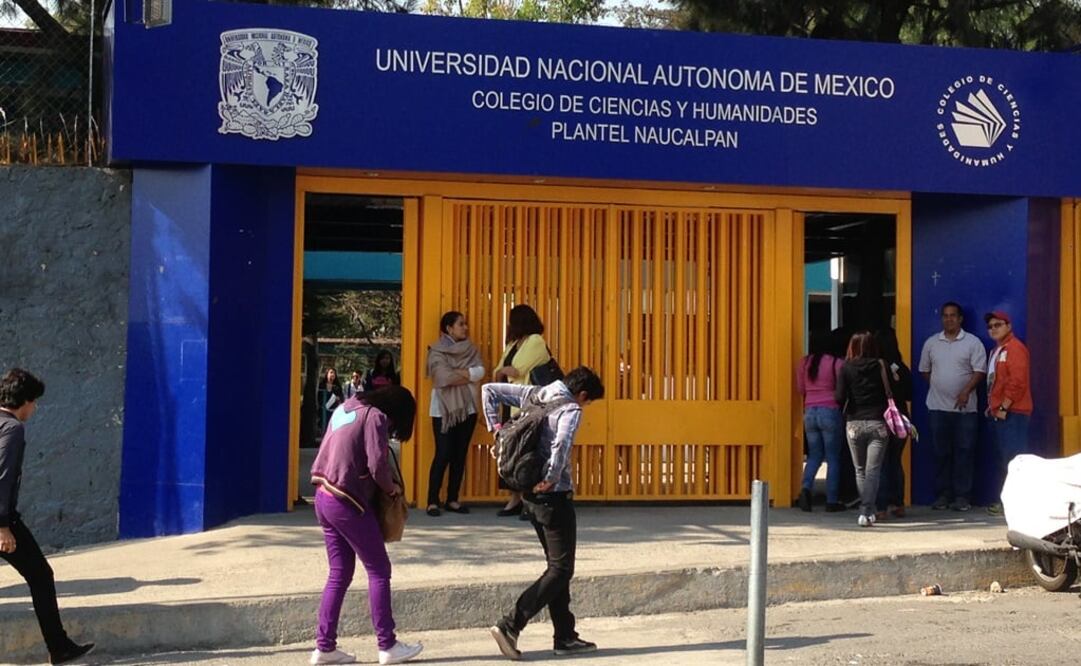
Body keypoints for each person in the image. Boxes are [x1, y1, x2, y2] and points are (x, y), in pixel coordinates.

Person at [482, 367, 605, 661]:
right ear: (583, 395)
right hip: (553, 496)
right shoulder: (571, 408)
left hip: (529, 494)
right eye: (588, 402)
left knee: (556, 567)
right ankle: (510, 624)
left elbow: (489, 389)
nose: (585, 407)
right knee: (561, 569)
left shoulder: (538, 393)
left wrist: (496, 431)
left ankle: (565, 635)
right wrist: (551, 477)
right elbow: (560, 444)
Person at [309, 386, 424, 665]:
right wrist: (392, 489)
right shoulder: (375, 417)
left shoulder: (345, 407)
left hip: (323, 496)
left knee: (339, 573)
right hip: (347, 501)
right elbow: (377, 465)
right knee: (379, 570)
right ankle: (388, 645)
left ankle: (324, 647)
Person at [0, 368, 95, 665]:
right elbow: (2, 477)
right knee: (41, 576)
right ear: (24, 401)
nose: (36, 408)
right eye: (34, 402)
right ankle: (59, 647)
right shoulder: (12, 429)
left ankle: (60, 646)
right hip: (4, 520)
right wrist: (3, 525)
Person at [918, 301, 987, 512]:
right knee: (941, 453)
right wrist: (939, 386)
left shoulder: (973, 343)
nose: (949, 319)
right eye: (945, 315)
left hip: (965, 410)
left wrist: (966, 390)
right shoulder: (931, 343)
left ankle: (962, 497)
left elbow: (980, 371)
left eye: (953, 315)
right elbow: (924, 370)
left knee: (964, 452)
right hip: (938, 408)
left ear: (960, 319)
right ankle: (942, 496)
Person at [493, 304, 553, 519]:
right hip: (510, 404)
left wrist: (504, 372)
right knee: (510, 450)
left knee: (528, 451)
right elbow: (498, 370)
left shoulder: (535, 341)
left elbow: (518, 368)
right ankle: (515, 497)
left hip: (529, 405)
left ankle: (530, 500)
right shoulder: (512, 344)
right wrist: (503, 372)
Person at [425, 311, 486, 517]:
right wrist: (467, 374)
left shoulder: (471, 349)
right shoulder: (436, 350)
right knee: (443, 454)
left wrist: (457, 373)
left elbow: (480, 372)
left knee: (459, 455)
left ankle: (452, 499)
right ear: (449, 328)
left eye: (465, 324)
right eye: (461, 324)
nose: (465, 327)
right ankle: (432, 501)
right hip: (443, 410)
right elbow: (441, 377)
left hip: (467, 409)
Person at [835, 332, 890, 527]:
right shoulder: (881, 365)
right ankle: (867, 511)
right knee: (873, 470)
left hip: (854, 423)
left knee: (860, 470)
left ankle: (865, 511)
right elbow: (890, 391)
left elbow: (839, 397)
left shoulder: (846, 367)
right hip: (878, 422)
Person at [984, 310, 1032, 516]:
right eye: (991, 326)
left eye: (998, 324)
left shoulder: (1015, 348)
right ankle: (1007, 502)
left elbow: (1017, 382)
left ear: (1009, 326)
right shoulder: (997, 350)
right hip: (1000, 412)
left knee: (1013, 461)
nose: (993, 328)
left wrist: (1004, 406)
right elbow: (996, 382)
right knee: (1005, 460)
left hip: (1013, 413)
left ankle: (1014, 504)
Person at [795, 330, 846, 512]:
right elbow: (843, 389)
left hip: (809, 412)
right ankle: (831, 501)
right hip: (830, 411)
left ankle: (805, 488)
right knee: (832, 458)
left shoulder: (804, 362)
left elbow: (801, 389)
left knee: (814, 455)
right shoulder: (837, 363)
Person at [874, 328, 913, 520]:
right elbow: (910, 394)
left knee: (881, 463)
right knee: (895, 462)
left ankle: (880, 506)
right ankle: (898, 504)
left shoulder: (874, 367)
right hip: (899, 419)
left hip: (881, 418)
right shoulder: (902, 367)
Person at [322, 368, 345, 434]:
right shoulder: (322, 385)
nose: (333, 374)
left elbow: (341, 398)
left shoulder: (337, 387)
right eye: (331, 372)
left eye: (334, 373)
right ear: (327, 374)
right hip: (323, 411)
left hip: (334, 411)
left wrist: (338, 399)